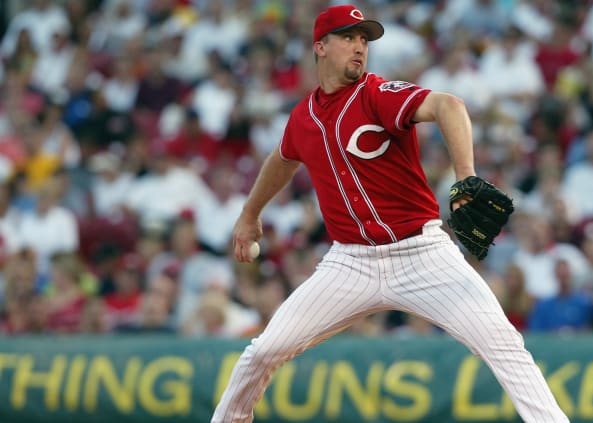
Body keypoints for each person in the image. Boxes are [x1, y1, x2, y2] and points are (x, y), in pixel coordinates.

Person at [211, 5, 569, 423]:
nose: (360, 46)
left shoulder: (377, 93)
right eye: (349, 37)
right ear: (320, 46)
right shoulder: (303, 117)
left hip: (422, 254)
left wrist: (466, 177)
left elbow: (449, 105)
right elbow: (283, 157)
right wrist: (250, 213)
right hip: (350, 263)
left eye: (364, 39)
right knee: (265, 351)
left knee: (502, 343)